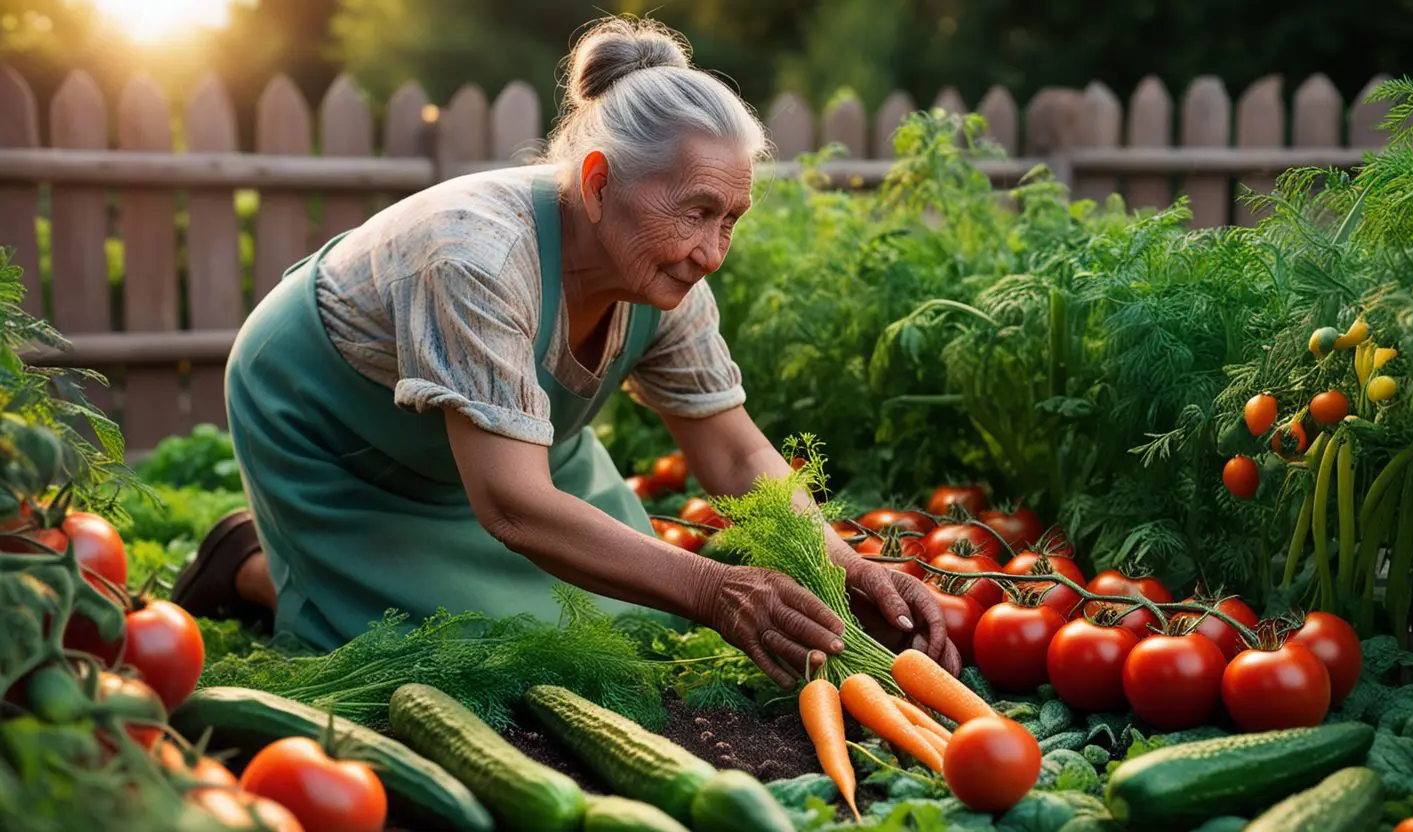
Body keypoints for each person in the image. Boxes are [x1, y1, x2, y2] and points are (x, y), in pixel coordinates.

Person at [171, 16, 961, 688]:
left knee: (617, 632)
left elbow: (731, 449)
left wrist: (845, 563)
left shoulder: (668, 278)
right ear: (595, 184)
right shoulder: (478, 255)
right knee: (446, 657)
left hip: (506, 455)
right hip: (334, 424)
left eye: (731, 219)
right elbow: (513, 506)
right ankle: (248, 564)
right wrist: (715, 589)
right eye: (696, 212)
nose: (713, 252)